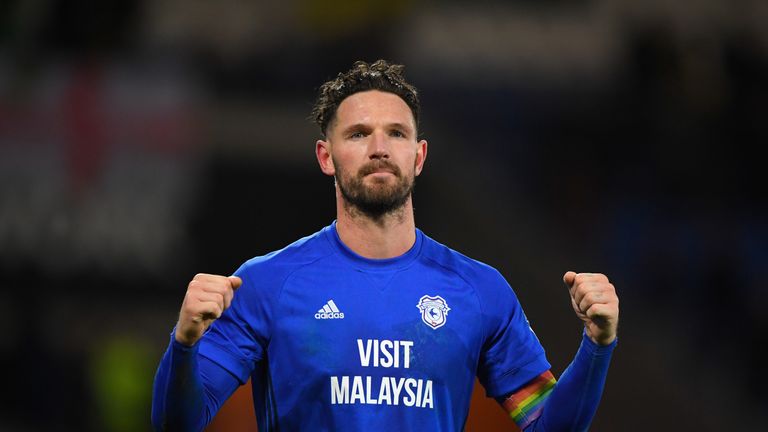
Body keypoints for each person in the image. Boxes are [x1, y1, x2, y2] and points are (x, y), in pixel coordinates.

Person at [151, 60, 619, 432]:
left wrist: (598, 345)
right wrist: (185, 343)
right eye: (358, 134)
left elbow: (548, 424)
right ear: (325, 157)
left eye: (396, 133)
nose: (379, 148)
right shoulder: (266, 283)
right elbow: (178, 422)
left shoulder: (479, 289)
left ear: (419, 156)